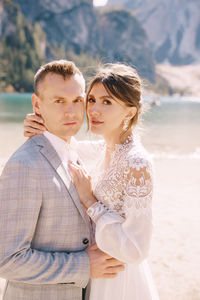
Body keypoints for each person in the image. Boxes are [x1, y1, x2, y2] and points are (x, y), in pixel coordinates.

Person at [24, 63, 159, 299]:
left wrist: (90, 201)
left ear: (129, 112)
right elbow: (64, 145)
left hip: (119, 277)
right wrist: (39, 125)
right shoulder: (98, 150)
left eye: (107, 102)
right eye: (91, 99)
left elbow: (137, 249)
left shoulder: (138, 163)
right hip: (95, 271)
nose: (93, 110)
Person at [0, 60, 125, 300]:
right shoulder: (24, 166)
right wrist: (84, 265)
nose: (71, 112)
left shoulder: (78, 152)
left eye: (78, 100)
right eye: (59, 101)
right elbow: (7, 259)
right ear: (37, 104)